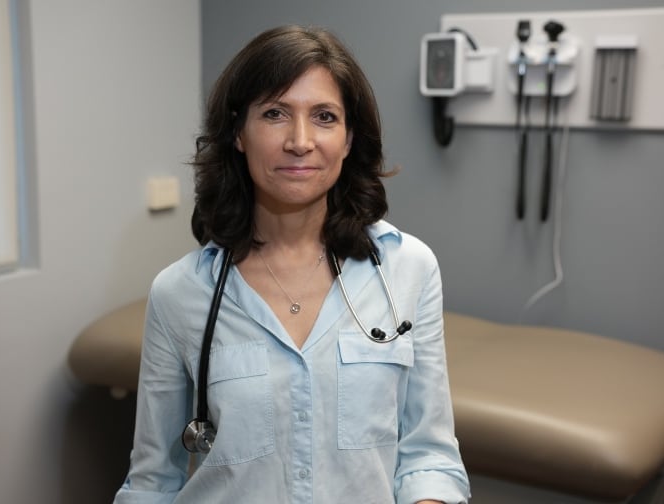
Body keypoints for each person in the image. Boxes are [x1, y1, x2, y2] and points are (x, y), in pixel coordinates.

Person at [113, 25, 470, 504]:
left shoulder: (408, 269)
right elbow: (152, 483)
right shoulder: (179, 293)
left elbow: (430, 457)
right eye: (275, 113)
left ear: (348, 140)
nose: (300, 141)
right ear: (239, 133)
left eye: (324, 116)